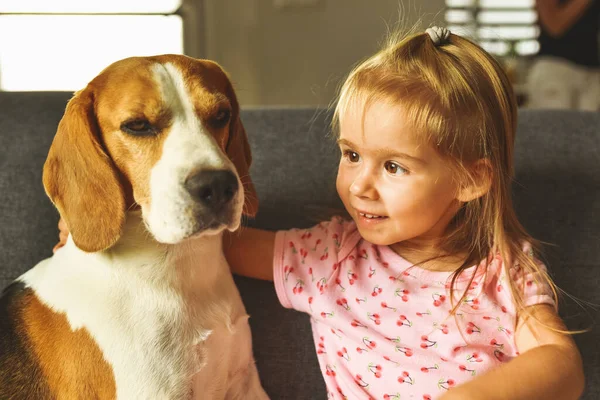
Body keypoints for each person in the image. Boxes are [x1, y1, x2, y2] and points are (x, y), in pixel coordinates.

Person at [55, 27, 585, 400]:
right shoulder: (329, 257)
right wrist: (97, 211)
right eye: (351, 155)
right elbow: (219, 237)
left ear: (471, 179)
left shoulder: (504, 267)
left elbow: (560, 363)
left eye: (394, 167)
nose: (360, 184)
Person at [527, 0, 600, 110]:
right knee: (556, 124)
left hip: (591, 74)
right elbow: (553, 26)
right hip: (556, 69)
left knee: (588, 126)